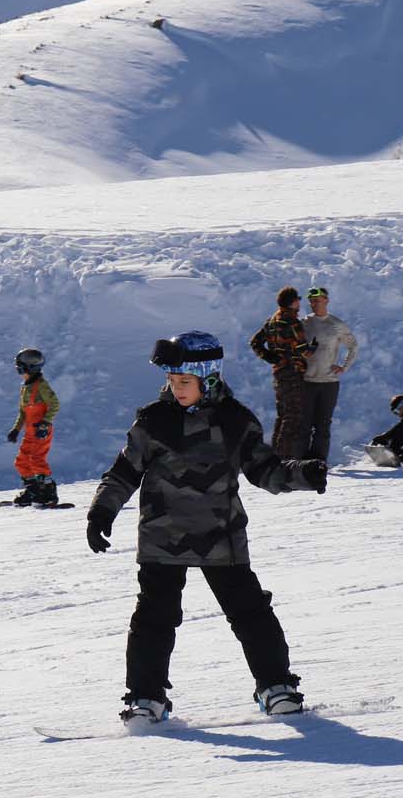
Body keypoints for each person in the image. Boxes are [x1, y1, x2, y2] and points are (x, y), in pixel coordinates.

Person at [85, 330, 328, 725]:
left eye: (185, 382)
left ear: (208, 378)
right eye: (172, 381)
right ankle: (146, 699)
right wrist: (101, 511)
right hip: (163, 538)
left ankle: (276, 687)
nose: (176, 389)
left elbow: (266, 471)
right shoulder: (154, 421)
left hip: (222, 537)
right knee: (154, 618)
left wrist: (303, 474)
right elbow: (123, 472)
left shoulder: (235, 420)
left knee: (250, 612)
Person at [250, 286, 317, 458]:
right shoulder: (293, 322)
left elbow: (255, 343)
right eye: (298, 299)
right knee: (293, 416)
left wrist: (271, 357)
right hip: (293, 372)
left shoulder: (272, 320)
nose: (300, 302)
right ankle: (284, 459)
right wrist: (314, 346)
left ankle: (274, 456)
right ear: (293, 302)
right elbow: (304, 351)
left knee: (283, 415)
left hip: (279, 372)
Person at [302, 285, 359, 462]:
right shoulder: (304, 323)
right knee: (304, 423)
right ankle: (301, 461)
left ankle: (318, 461)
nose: (313, 304)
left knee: (322, 425)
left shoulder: (336, 325)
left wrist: (344, 367)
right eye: (311, 301)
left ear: (326, 300)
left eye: (317, 301)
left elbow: (353, 346)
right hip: (307, 381)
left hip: (328, 383)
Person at [5, 347, 61, 506]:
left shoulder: (41, 386)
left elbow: (55, 405)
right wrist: (16, 429)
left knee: (36, 460)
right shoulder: (25, 387)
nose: (19, 372)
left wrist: (45, 423)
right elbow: (22, 412)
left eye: (20, 369)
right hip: (30, 431)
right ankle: (33, 491)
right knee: (21, 461)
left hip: (41, 430)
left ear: (30, 368)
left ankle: (49, 492)